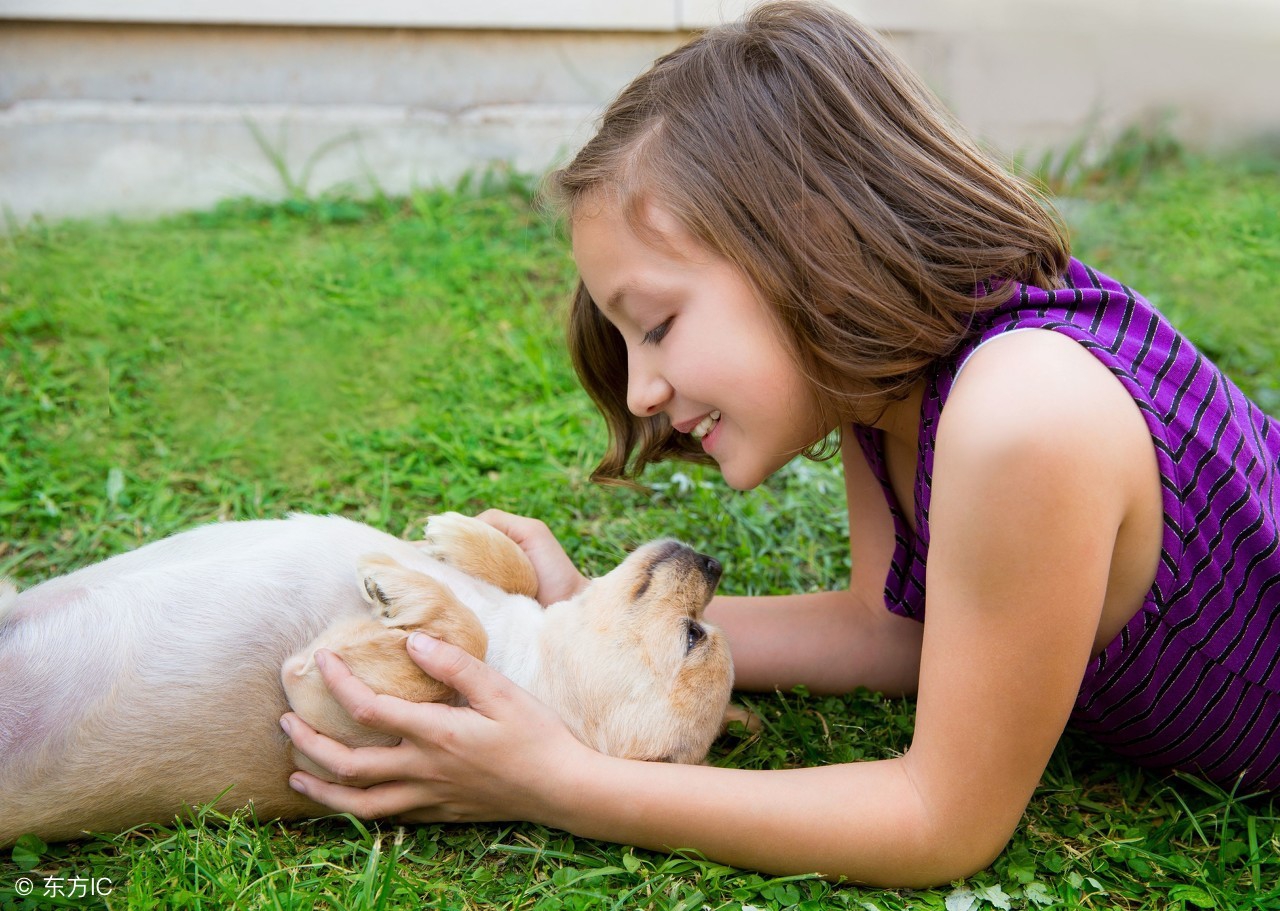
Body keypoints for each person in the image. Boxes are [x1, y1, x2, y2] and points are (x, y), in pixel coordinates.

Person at [279, 0, 1280, 887]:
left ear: (814, 247)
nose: (640, 390)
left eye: (657, 325)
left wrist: (561, 781)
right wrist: (583, 615)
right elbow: (894, 629)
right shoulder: (889, 380)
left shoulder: (1023, 413)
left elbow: (940, 817)